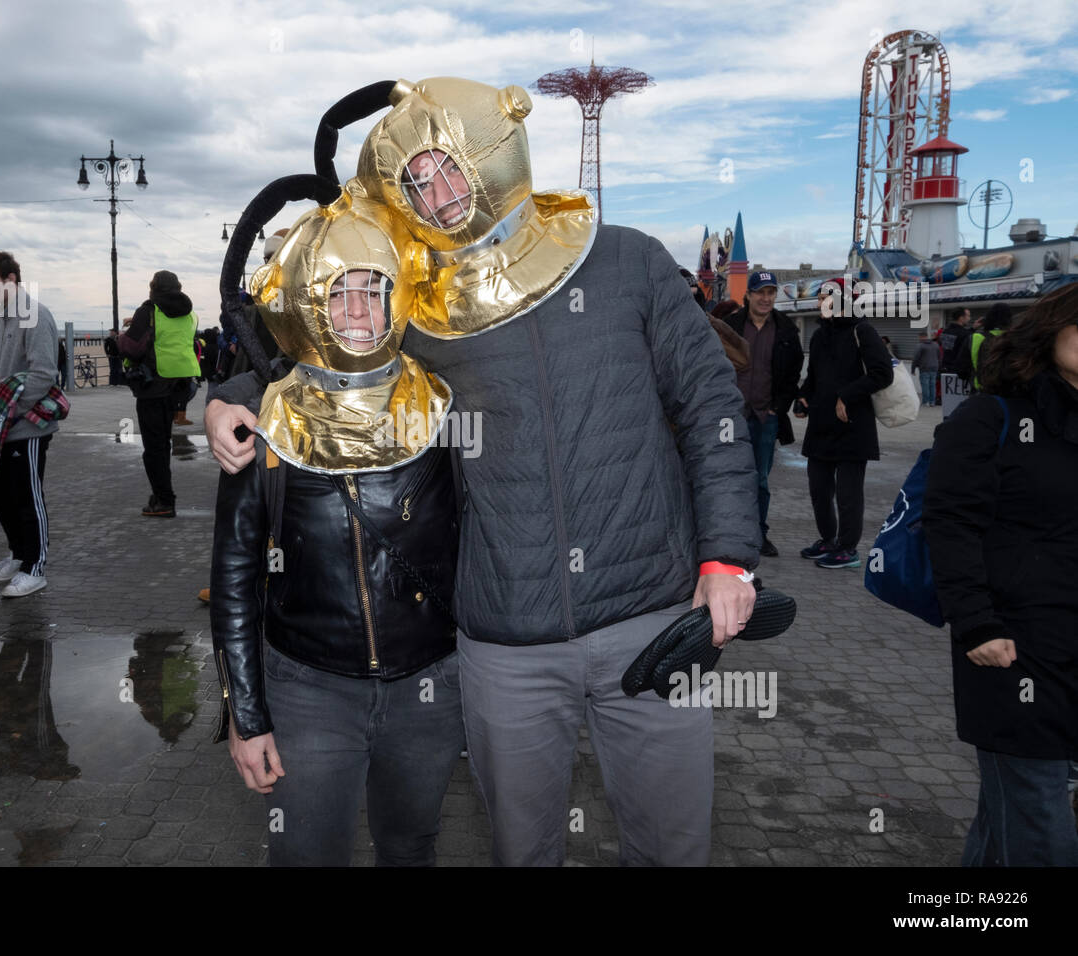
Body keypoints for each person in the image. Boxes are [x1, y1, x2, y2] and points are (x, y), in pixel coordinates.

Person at [208, 77, 759, 866]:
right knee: (522, 853)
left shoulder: (630, 262)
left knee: (673, 848)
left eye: (443, 167)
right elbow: (324, 359)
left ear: (485, 151)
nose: (434, 196)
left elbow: (714, 408)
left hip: (653, 613)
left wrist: (728, 555)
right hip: (505, 646)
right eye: (414, 183)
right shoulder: (426, 315)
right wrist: (228, 398)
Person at [213, 174, 463, 866]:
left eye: (373, 290)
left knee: (411, 847)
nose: (358, 309)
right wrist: (246, 715)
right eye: (339, 292)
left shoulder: (443, 407)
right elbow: (234, 582)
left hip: (429, 684)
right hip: (307, 686)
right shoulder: (262, 421)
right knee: (305, 854)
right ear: (311, 302)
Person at [923, 283, 1078, 866]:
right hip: (1013, 648)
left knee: (1010, 813)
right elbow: (950, 524)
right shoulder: (994, 417)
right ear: (1049, 331)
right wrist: (977, 624)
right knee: (1042, 822)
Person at [0, 251, 59, 598]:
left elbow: (43, 374)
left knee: (27, 497)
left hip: (26, 428)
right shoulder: (3, 318)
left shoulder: (34, 315)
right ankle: (19, 554)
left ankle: (35, 568)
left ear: (10, 280)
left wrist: (7, 412)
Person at [792, 277, 893, 569]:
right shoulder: (820, 336)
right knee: (819, 489)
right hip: (822, 425)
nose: (821, 301)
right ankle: (828, 540)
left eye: (827, 296)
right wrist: (802, 398)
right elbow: (813, 377)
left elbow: (882, 373)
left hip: (853, 425)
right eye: (820, 297)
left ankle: (848, 548)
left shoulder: (863, 330)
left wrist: (845, 396)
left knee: (849, 494)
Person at [720, 271, 805, 557]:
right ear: (748, 295)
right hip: (731, 416)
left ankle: (758, 533)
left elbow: (793, 372)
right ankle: (727, 534)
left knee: (760, 480)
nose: (766, 298)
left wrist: (777, 407)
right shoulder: (730, 325)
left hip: (764, 417)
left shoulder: (786, 329)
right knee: (726, 476)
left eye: (771, 292)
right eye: (760, 292)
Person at [117, 270, 200, 517]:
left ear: (153, 288)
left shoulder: (149, 309)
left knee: (154, 447)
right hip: (181, 385)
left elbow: (133, 348)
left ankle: (164, 500)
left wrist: (118, 340)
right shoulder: (189, 313)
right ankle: (161, 494)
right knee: (164, 442)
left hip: (153, 386)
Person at [956, 302, 1011, 390]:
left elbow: (961, 370)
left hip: (980, 391)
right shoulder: (1014, 338)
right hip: (1008, 393)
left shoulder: (974, 337)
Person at [911, 331, 941, 407]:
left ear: (921, 337)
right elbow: (939, 357)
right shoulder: (935, 344)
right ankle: (932, 402)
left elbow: (916, 358)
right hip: (934, 367)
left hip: (924, 368)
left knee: (925, 385)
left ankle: (926, 402)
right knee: (932, 385)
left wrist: (913, 369)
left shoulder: (920, 345)